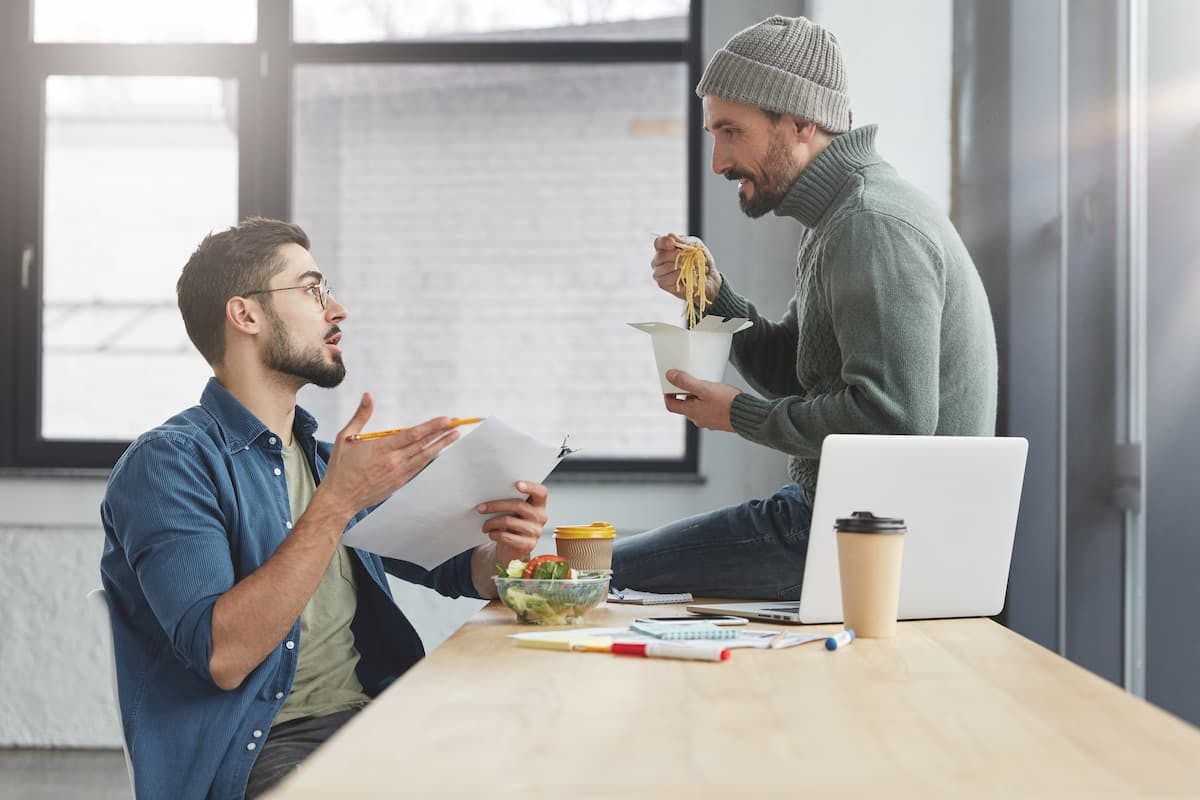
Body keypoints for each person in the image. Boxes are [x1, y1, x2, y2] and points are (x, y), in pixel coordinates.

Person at [99, 218, 549, 800]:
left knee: (546, 752)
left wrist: (505, 548)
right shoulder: (169, 465)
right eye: (312, 290)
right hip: (261, 750)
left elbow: (460, 572)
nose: (336, 309)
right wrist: (336, 504)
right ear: (246, 315)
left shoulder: (322, 460)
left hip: (375, 714)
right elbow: (224, 656)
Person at [611, 15, 997, 599]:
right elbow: (801, 376)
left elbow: (891, 420)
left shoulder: (871, 224)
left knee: (597, 572)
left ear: (799, 123)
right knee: (603, 568)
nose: (717, 161)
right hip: (835, 517)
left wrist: (740, 414)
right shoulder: (836, 219)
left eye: (731, 132)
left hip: (864, 540)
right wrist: (713, 299)